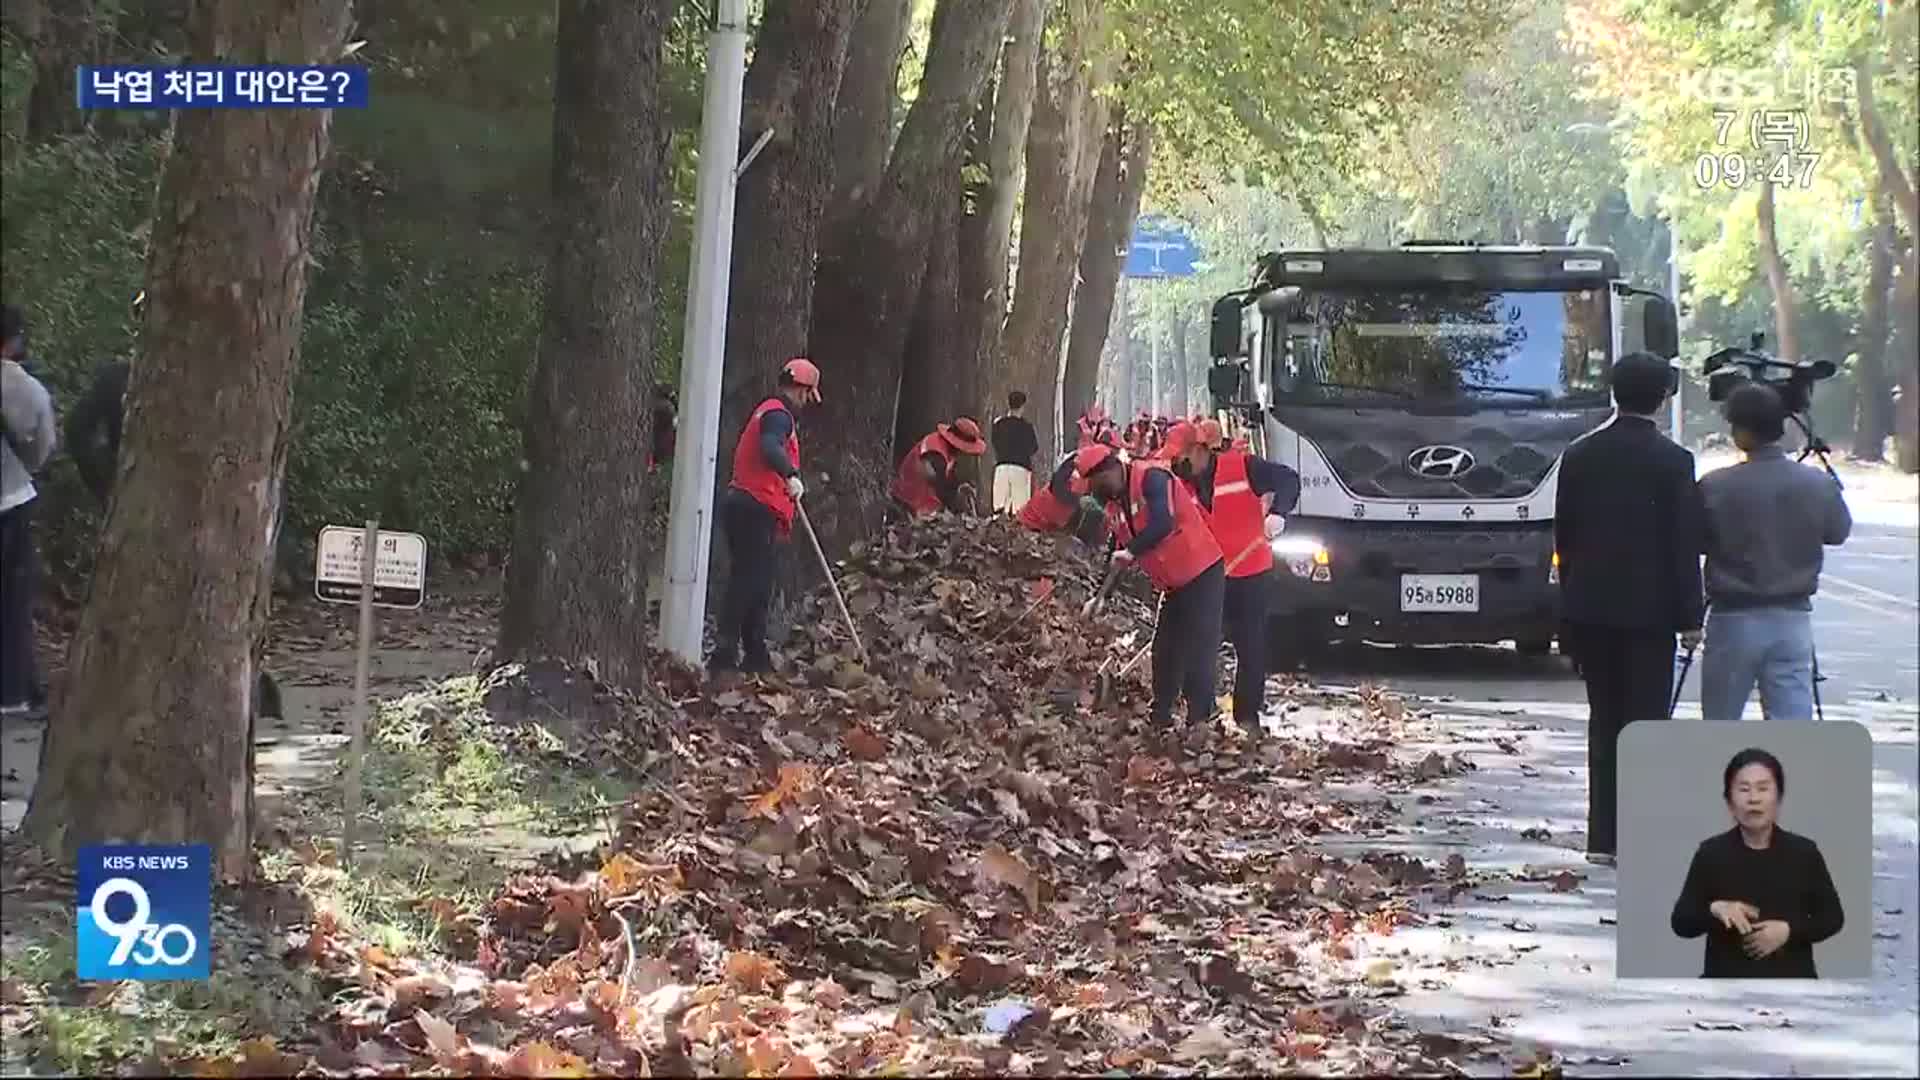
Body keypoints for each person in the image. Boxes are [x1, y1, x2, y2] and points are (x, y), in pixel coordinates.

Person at [1554, 351, 1706, 866]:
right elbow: (1683, 546)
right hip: (1651, 617)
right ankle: (1639, 838)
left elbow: (1565, 540)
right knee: (1646, 724)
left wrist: (1567, 612)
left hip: (1591, 609)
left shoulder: (1579, 454)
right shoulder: (1674, 461)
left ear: (1614, 393)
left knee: (1605, 720)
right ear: (1663, 397)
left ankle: (1602, 839)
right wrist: (1691, 617)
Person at [1697, 384, 1851, 721]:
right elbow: (1838, 532)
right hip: (1792, 620)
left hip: (1732, 620)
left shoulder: (1715, 485)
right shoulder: (1816, 483)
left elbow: (1696, 541)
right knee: (1791, 733)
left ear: (1739, 431)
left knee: (1719, 729)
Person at [1073, 444, 1225, 737]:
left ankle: (1200, 720)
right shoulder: (1114, 505)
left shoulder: (1152, 478)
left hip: (1201, 571)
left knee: (1198, 648)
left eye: (1095, 484)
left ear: (1110, 471)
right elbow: (1116, 552)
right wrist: (1101, 596)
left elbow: (1162, 524)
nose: (1093, 492)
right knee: (1164, 650)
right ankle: (1160, 716)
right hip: (1172, 583)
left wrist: (1132, 551)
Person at [1164, 419, 1300, 729]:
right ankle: (1200, 714)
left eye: (1182, 456)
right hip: (1207, 576)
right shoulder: (1180, 484)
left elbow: (1288, 480)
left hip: (1251, 573)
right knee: (1199, 644)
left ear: (1200, 450)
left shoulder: (1243, 467)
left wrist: (1279, 514)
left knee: (1250, 646)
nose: (1178, 463)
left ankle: (1247, 717)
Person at [1669, 748, 1844, 978]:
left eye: (1763, 788)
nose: (1754, 799)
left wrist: (1788, 931)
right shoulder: (1711, 853)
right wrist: (1715, 908)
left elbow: (1832, 917)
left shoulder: (1803, 852)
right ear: (1729, 801)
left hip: (1793, 984)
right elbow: (1681, 922)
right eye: (1744, 789)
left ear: (1779, 797)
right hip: (1725, 985)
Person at [714, 357, 821, 673]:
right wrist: (790, 474)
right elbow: (769, 447)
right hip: (753, 507)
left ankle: (754, 653)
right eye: (806, 396)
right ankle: (724, 652)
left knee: (758, 582)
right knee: (747, 579)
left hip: (748, 506)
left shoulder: (769, 411)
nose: (805, 403)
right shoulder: (778, 415)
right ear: (801, 391)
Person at [1, 304, 58, 721]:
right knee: (14, 601)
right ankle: (12, 693)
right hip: (11, 501)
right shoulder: (26, 389)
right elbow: (43, 447)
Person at [890, 417, 987, 518]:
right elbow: (939, 487)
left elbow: (946, 479)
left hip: (921, 504)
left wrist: (959, 488)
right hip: (908, 502)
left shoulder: (947, 451)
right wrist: (957, 504)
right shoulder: (935, 452)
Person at [990, 391, 1039, 514]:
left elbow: (994, 442)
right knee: (1020, 509)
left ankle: (996, 532)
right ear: (1023, 406)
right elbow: (1034, 448)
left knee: (999, 508)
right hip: (1021, 468)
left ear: (1009, 404)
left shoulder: (999, 424)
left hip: (1002, 466)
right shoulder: (1027, 427)